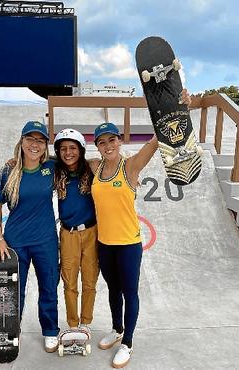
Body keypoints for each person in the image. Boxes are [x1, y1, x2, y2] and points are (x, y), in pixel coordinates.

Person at [89, 90, 191, 368]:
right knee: (111, 289)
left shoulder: (131, 165)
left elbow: (157, 140)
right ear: (96, 146)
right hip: (104, 243)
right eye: (102, 141)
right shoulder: (95, 166)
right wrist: (23, 160)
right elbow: (64, 159)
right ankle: (116, 328)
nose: (108, 145)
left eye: (112, 139)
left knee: (129, 292)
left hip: (128, 243)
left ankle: (128, 342)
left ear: (119, 141)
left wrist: (180, 108)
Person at [0, 120, 60, 353]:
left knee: (49, 287)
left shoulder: (52, 166)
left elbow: (76, 162)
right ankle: (11, 331)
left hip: (46, 241)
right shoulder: (8, 171)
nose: (35, 144)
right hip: (15, 243)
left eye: (40, 140)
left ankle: (50, 330)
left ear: (45, 146)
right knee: (13, 291)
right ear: (21, 142)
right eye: (30, 139)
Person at [53, 129, 99, 336]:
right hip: (68, 233)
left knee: (89, 280)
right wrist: (12, 160)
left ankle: (85, 322)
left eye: (72, 148)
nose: (68, 152)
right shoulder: (55, 171)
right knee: (69, 281)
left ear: (80, 150)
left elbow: (115, 165)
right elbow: (31, 161)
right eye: (63, 149)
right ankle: (72, 324)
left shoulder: (91, 169)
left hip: (91, 231)